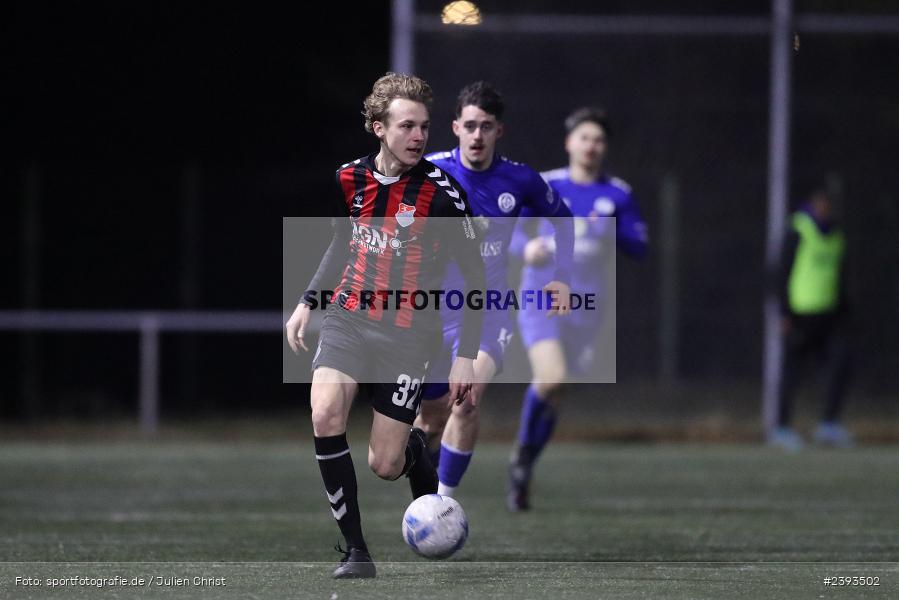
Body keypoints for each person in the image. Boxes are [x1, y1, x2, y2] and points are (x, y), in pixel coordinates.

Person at [284, 72, 485, 579]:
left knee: (385, 465)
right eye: (406, 126)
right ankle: (356, 552)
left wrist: (466, 353)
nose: (419, 136)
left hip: (408, 336)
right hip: (349, 320)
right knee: (325, 413)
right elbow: (342, 242)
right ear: (378, 127)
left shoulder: (443, 196)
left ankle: (415, 449)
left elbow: (477, 273)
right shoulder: (349, 179)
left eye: (424, 127)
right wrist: (309, 300)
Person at [413, 81, 574, 498]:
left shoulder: (519, 179)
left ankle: (444, 506)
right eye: (470, 126)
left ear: (498, 131)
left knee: (465, 399)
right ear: (455, 127)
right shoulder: (428, 172)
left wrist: (562, 276)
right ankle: (425, 485)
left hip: (487, 313)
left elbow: (564, 219)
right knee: (428, 419)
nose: (477, 136)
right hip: (431, 313)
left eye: (486, 126)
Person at [507, 107, 648, 511]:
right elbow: (515, 233)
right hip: (541, 298)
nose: (591, 145)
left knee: (558, 391)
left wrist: (611, 227)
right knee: (551, 378)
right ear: (569, 142)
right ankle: (520, 455)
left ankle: (525, 464)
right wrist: (526, 248)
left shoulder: (617, 193)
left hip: (587, 307)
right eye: (584, 137)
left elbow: (640, 246)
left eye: (599, 139)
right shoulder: (546, 185)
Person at [769, 189, 852, 450]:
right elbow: (781, 272)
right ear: (813, 204)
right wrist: (783, 312)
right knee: (792, 373)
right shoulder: (798, 230)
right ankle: (781, 428)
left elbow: (840, 276)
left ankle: (829, 424)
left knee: (840, 366)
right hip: (800, 315)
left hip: (829, 317)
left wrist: (844, 309)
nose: (824, 209)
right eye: (821, 203)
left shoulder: (837, 235)